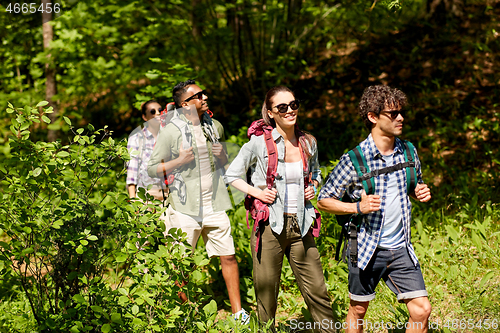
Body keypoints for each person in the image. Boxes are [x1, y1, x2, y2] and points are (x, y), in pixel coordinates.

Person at [317, 85, 432, 333]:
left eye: (401, 112)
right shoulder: (354, 159)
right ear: (372, 117)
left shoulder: (409, 151)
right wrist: (357, 206)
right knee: (358, 310)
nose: (400, 118)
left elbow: (413, 184)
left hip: (401, 247)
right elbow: (323, 199)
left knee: (421, 310)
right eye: (393, 113)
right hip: (366, 247)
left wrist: (419, 190)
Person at [225, 86, 335, 332]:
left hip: (302, 225)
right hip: (269, 227)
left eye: (293, 105)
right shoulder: (258, 144)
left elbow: (315, 172)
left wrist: (313, 186)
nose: (289, 111)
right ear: (271, 112)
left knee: (318, 291)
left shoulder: (308, 142)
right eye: (282, 107)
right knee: (266, 297)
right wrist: (258, 192)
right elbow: (231, 176)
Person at [147, 80, 249, 323]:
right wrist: (178, 161)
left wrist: (223, 155)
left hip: (214, 204)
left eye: (204, 93)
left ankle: (238, 313)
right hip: (184, 207)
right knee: (181, 264)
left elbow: (224, 165)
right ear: (185, 104)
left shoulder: (215, 127)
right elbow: (152, 168)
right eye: (198, 95)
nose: (205, 97)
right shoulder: (170, 132)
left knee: (228, 256)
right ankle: (190, 315)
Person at [127, 100, 166, 201]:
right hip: (145, 195)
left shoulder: (169, 135)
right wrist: (133, 199)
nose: (157, 113)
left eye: (160, 110)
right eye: (152, 111)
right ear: (145, 117)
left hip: (168, 194)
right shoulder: (136, 138)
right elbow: (132, 171)